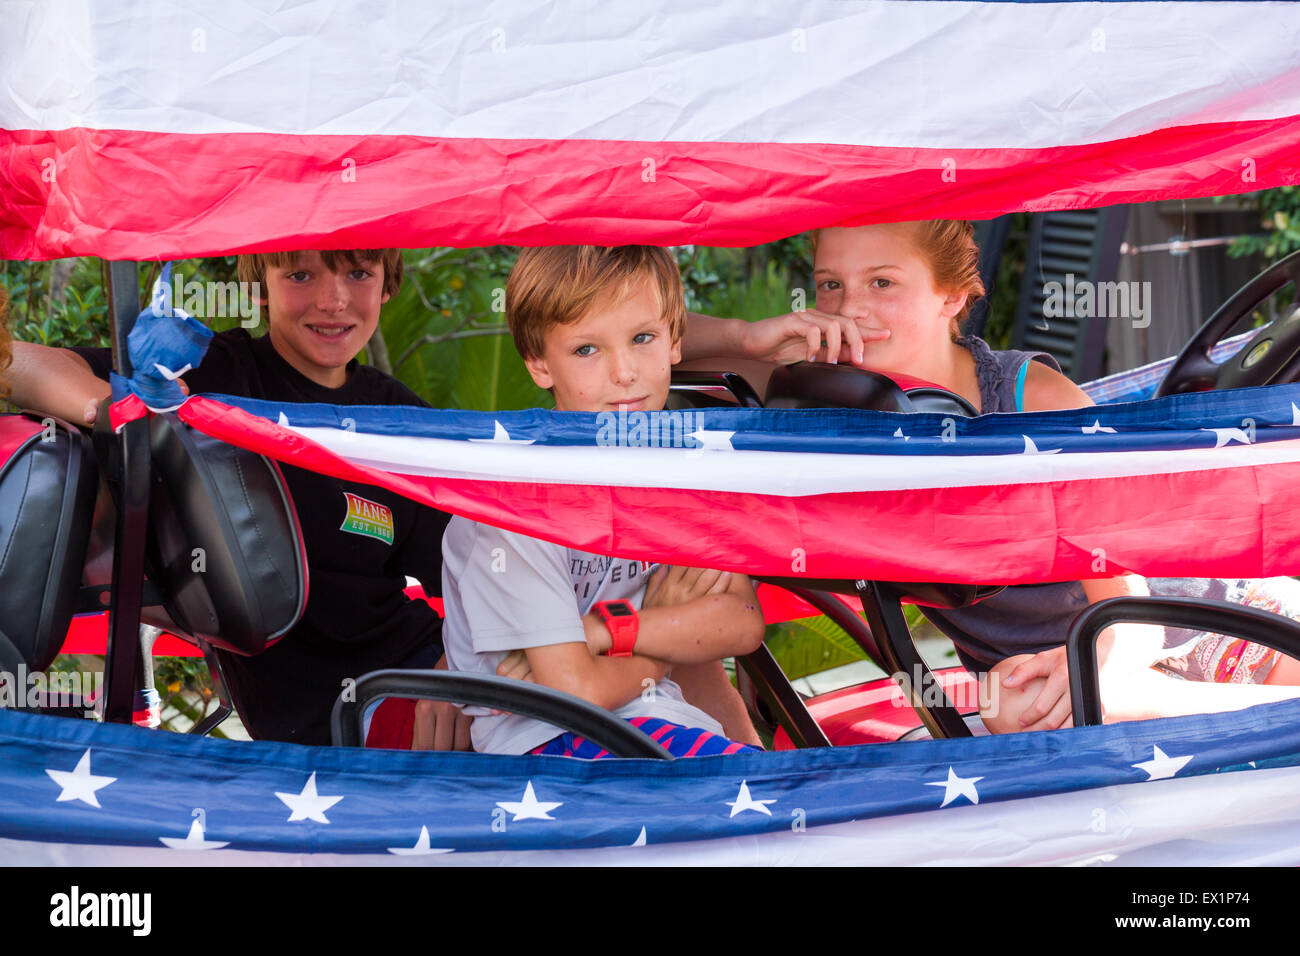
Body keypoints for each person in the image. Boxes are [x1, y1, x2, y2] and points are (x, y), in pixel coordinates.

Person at [4, 249, 873, 746]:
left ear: (386, 283)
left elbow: (595, 338)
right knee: (626, 673)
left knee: (681, 627)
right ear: (260, 277)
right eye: (302, 276)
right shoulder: (215, 374)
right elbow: (23, 363)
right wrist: (123, 411)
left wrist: (753, 339)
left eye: (357, 274)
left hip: (443, 667)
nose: (334, 301)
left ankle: (755, 787)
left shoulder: (399, 419)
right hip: (343, 701)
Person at [804, 220, 1300, 733]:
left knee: (1066, 703)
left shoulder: (1034, 402)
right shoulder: (828, 422)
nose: (849, 309)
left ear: (950, 294)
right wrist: (762, 348)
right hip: (1048, 677)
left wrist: (1095, 664)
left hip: (1201, 624)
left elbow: (1132, 606)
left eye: (881, 282)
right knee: (1013, 707)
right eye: (830, 285)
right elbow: (722, 386)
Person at [440, 245, 766, 756]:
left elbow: (741, 619)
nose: (624, 372)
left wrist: (600, 631)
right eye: (586, 350)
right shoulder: (518, 502)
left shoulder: (676, 470)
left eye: (642, 338)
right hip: (548, 745)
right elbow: (577, 694)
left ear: (674, 341)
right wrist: (655, 634)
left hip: (662, 720)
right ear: (539, 364)